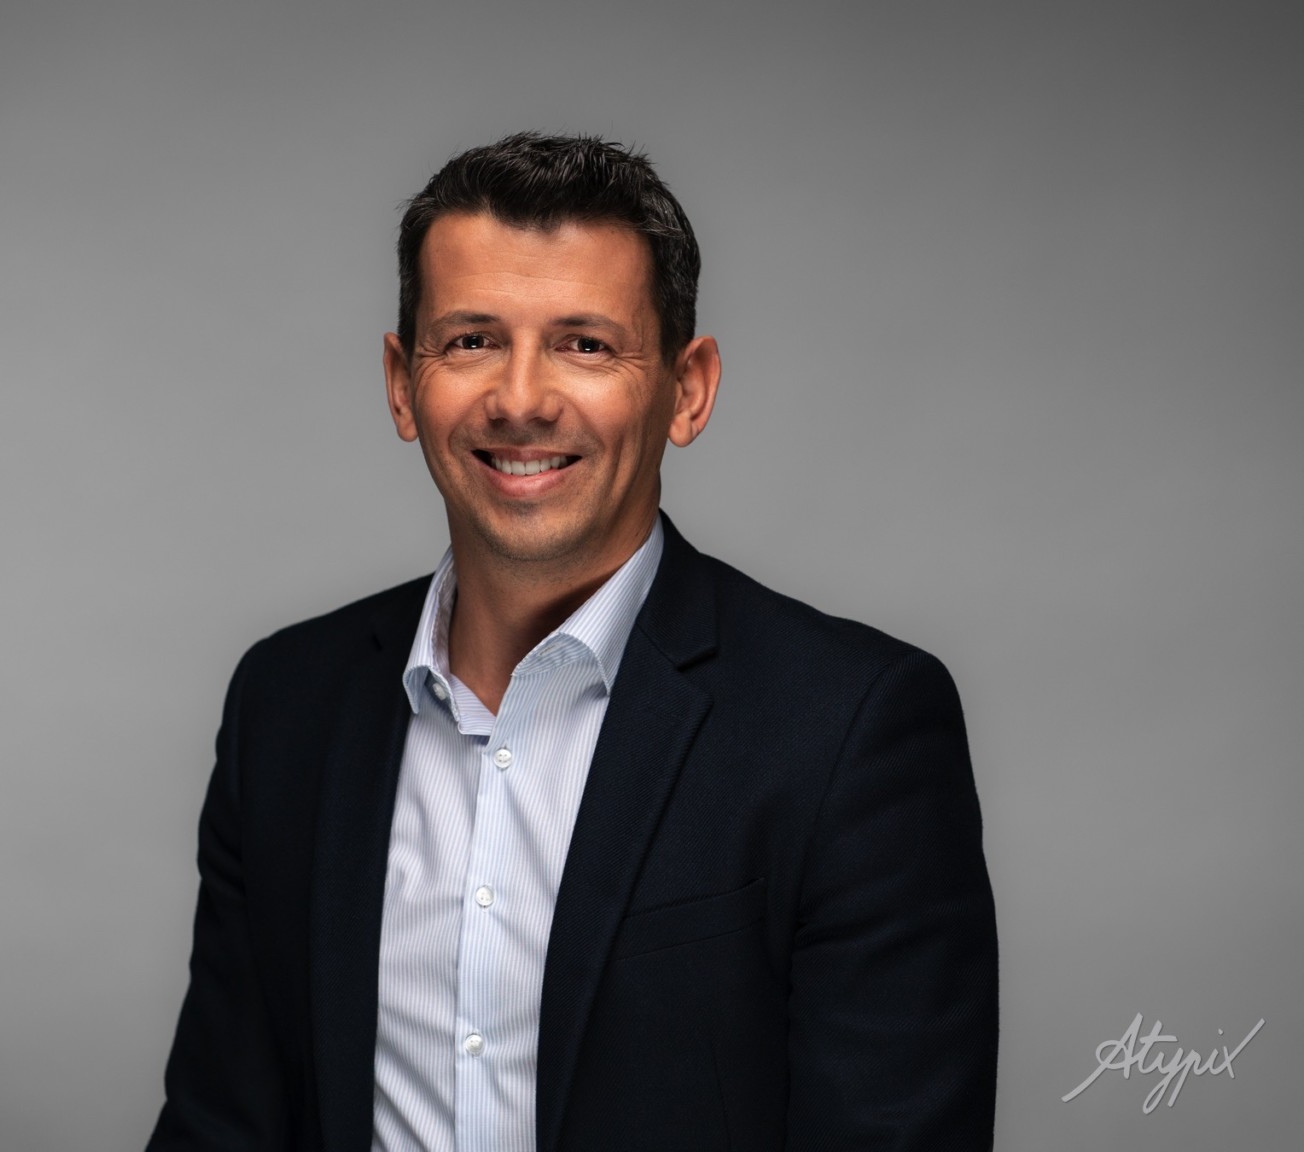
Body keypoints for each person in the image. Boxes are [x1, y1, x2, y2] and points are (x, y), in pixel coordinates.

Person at [147, 132, 998, 1151]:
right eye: (471, 340)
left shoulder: (850, 729)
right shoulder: (286, 706)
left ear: (688, 389)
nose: (521, 399)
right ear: (401, 383)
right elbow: (220, 1130)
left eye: (585, 345)